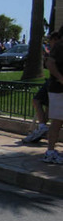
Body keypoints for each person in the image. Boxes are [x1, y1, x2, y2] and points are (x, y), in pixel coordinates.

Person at [23, 32, 60, 143]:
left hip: (56, 82)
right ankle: (42, 127)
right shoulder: (55, 50)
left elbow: (50, 64)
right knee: (38, 101)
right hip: (52, 81)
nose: (50, 43)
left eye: (51, 40)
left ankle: (42, 129)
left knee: (50, 111)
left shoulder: (58, 50)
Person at [43, 26, 63, 164]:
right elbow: (49, 63)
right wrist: (61, 78)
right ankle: (50, 152)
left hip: (58, 88)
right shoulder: (60, 46)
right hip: (59, 89)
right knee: (57, 121)